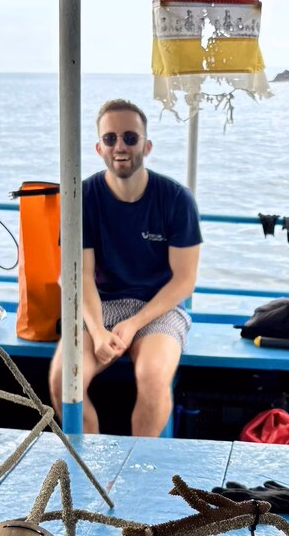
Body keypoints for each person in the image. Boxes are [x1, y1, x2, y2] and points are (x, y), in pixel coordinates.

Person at [49, 100, 201, 436]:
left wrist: (134, 324)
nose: (120, 146)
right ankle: (89, 458)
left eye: (130, 138)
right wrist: (98, 330)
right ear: (99, 147)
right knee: (62, 381)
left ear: (147, 145)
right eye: (110, 138)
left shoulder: (176, 199)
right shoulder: (83, 197)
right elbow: (79, 276)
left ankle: (139, 462)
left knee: (153, 376)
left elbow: (184, 280)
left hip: (158, 308)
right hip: (99, 305)